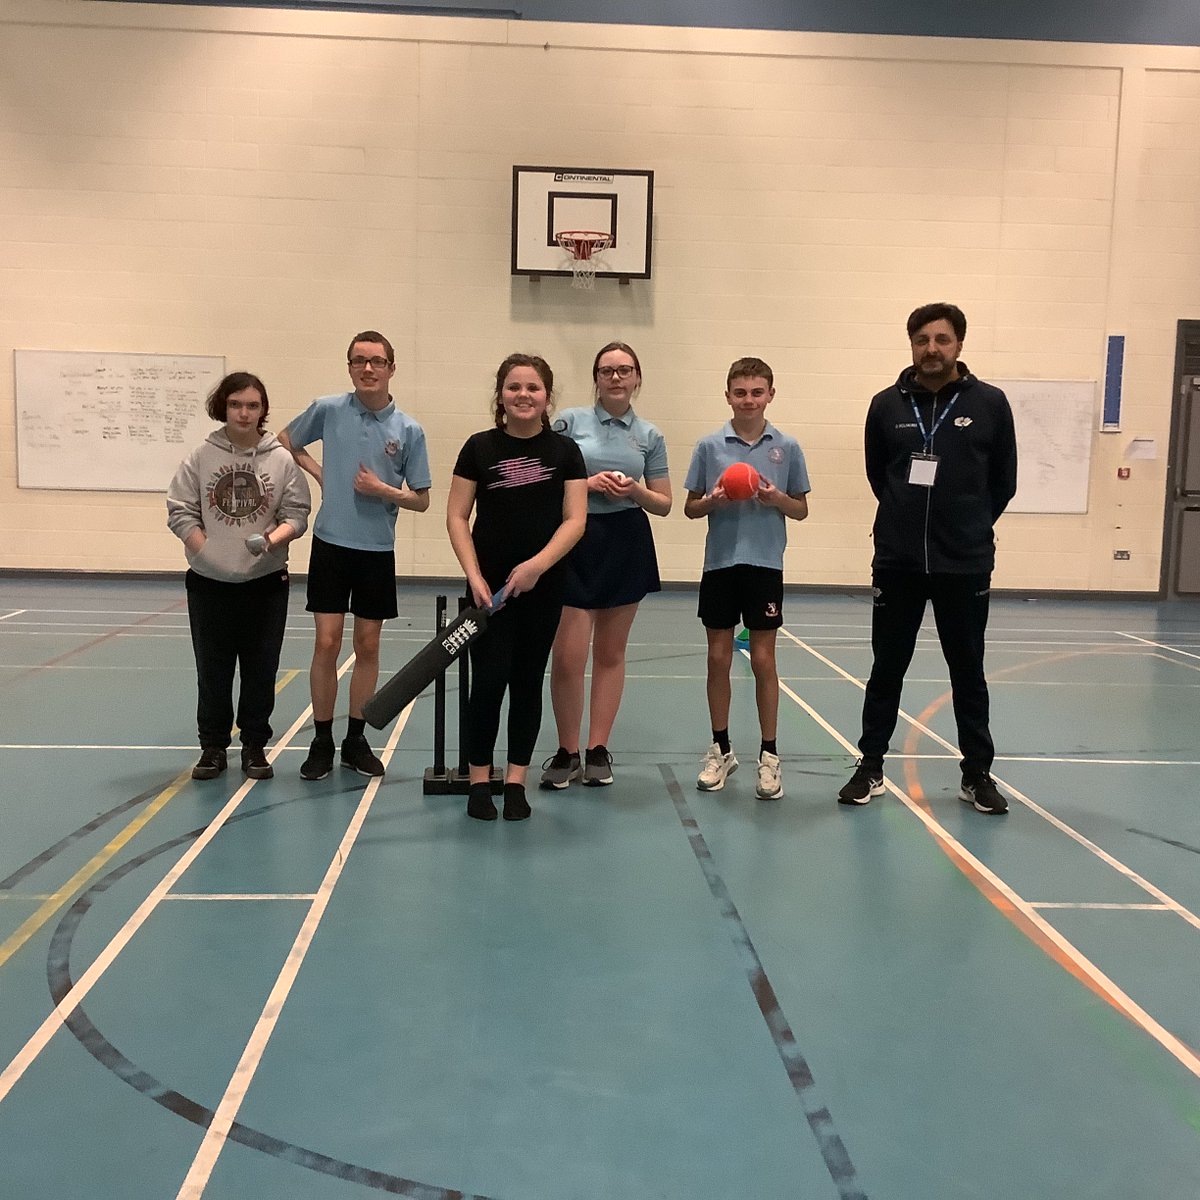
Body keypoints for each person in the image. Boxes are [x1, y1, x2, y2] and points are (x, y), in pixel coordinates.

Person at [838, 302, 1018, 814]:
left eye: (941, 339)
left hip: (965, 563)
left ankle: (976, 772)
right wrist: (902, 520)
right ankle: (870, 765)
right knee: (886, 667)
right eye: (922, 339)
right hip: (897, 563)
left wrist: (969, 526)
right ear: (911, 344)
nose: (931, 349)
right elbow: (881, 477)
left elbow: (1003, 482)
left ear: (959, 344)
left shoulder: (990, 403)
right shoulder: (886, 405)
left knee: (968, 670)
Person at [279, 331, 431, 781]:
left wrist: (383, 490)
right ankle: (322, 739)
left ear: (391, 368)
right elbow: (287, 438)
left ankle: (356, 739)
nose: (368, 368)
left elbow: (421, 499)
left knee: (368, 646)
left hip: (376, 550)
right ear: (349, 367)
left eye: (377, 361)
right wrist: (321, 472)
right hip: (330, 544)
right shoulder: (328, 409)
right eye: (359, 361)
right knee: (326, 643)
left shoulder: (408, 430)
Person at [446, 354, 588, 822]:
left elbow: (575, 521)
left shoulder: (566, 453)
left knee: (527, 683)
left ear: (547, 396)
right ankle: (479, 780)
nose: (523, 395)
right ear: (500, 395)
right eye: (513, 387)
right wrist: (475, 576)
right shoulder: (478, 448)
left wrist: (536, 567)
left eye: (533, 388)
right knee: (487, 683)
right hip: (488, 595)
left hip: (541, 590)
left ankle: (515, 782)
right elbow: (456, 516)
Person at [167, 372, 311, 781]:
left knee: (261, 669)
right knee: (212, 670)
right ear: (223, 407)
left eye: (252, 405)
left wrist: (271, 540)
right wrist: (206, 550)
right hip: (209, 585)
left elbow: (297, 514)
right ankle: (212, 748)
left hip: (265, 584)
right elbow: (179, 510)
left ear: (263, 410)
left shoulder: (280, 460)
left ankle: (254, 747)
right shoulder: (200, 457)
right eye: (235, 405)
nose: (244, 413)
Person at [540, 342, 672, 790]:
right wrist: (585, 483)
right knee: (569, 655)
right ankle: (566, 750)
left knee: (612, 654)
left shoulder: (650, 435)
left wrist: (633, 490)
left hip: (625, 541)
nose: (616, 378)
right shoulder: (570, 423)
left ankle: (597, 750)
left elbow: (664, 503)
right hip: (576, 538)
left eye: (625, 370)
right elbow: (548, 478)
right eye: (607, 371)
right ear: (596, 378)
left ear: (637, 378)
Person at [684, 357, 810, 800]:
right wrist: (713, 500)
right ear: (728, 395)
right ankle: (720, 748)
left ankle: (769, 756)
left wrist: (777, 497)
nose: (749, 400)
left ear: (770, 395)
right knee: (717, 658)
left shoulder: (787, 447)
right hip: (719, 563)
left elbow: (801, 508)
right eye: (741, 392)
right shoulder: (709, 445)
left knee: (762, 660)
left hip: (764, 564)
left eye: (757, 392)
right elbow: (690, 507)